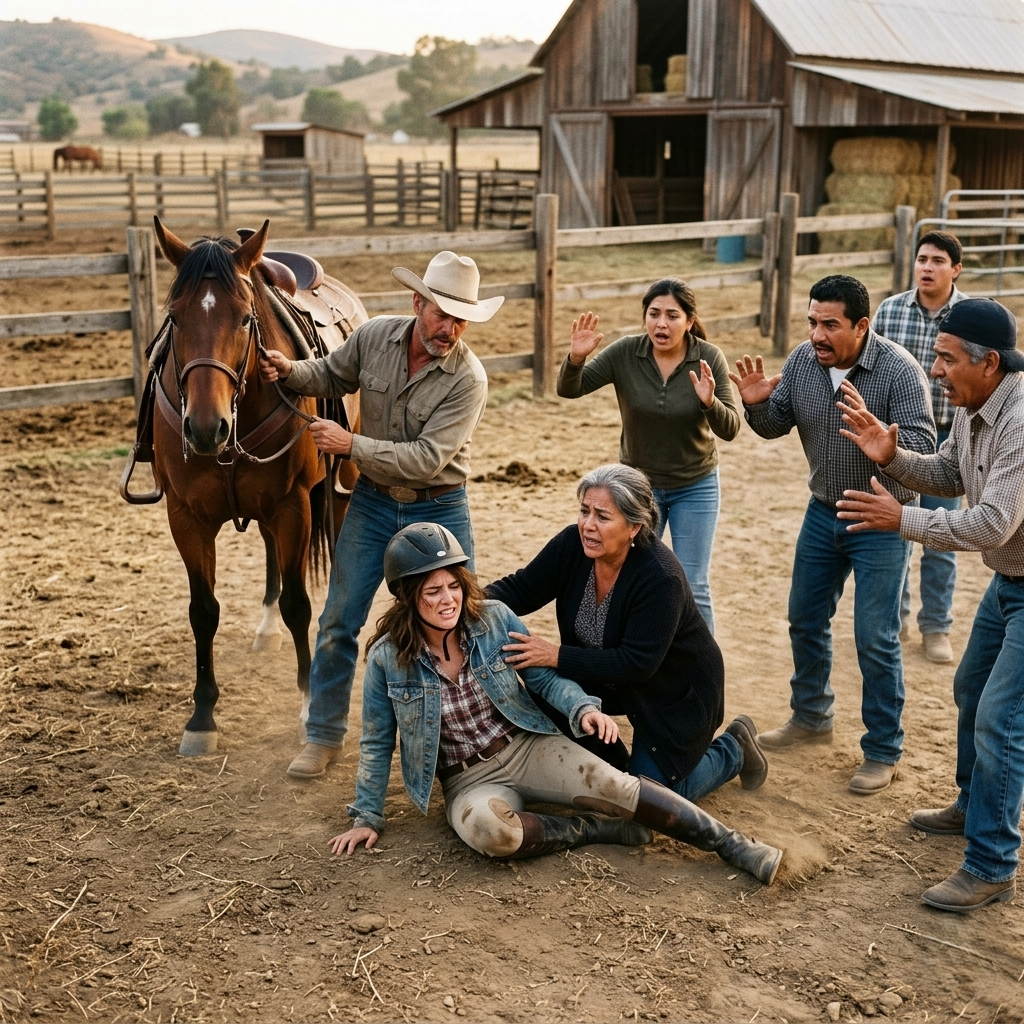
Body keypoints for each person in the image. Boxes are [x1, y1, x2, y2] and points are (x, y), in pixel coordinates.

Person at [330, 522, 783, 886]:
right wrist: (367, 815)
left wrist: (582, 708)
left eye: (453, 585)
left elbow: (544, 678)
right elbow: (375, 740)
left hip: (526, 747)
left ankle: (735, 846)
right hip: (466, 780)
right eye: (432, 592)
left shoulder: (492, 620)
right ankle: (592, 830)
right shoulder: (389, 659)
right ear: (408, 598)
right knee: (494, 835)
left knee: (622, 788)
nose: (448, 600)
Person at [259, 251, 499, 778]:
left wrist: (350, 444)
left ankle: (475, 737)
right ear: (418, 302)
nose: (451, 328)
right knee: (338, 619)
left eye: (462, 318)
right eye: (443, 314)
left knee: (463, 623)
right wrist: (290, 370)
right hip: (371, 501)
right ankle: (323, 736)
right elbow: (330, 374)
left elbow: (427, 458)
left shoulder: (468, 379)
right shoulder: (375, 337)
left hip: (438, 507)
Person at [836, 298, 1024, 912]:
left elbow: (992, 523)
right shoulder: (975, 408)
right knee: (971, 689)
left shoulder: (1021, 420)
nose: (935, 369)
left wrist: (900, 519)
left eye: (945, 358)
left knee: (1000, 716)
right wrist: (893, 458)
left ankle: (992, 864)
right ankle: (975, 805)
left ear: (988, 361)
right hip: (1011, 582)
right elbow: (949, 471)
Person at [730, 275, 935, 795]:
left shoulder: (898, 372)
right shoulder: (802, 361)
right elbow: (775, 422)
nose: (817, 334)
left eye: (830, 325)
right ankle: (811, 715)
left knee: (875, 636)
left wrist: (886, 446)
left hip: (881, 517)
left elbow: (925, 445)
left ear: (861, 326)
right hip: (823, 512)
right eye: (812, 322)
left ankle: (883, 749)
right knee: (804, 616)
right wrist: (755, 404)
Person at [486, 463, 769, 801]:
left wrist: (556, 655)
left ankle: (732, 748)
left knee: (651, 801)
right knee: (539, 714)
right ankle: (617, 764)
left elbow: (636, 664)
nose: (588, 525)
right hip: (608, 678)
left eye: (603, 517)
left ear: (634, 526)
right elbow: (520, 589)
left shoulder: (660, 577)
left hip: (674, 691)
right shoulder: (572, 546)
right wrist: (462, 601)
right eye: (584, 511)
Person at [556, 279, 740, 632]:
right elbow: (570, 389)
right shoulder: (626, 352)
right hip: (639, 491)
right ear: (645, 318)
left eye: (673, 315)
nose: (661, 324)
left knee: (693, 583)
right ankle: (634, 657)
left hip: (695, 485)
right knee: (632, 574)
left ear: (689, 321)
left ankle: (700, 669)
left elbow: (730, 428)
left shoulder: (708, 357)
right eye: (654, 314)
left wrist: (709, 402)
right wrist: (576, 359)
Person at [873, 230, 966, 664]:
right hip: (899, 439)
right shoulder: (890, 311)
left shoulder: (968, 317)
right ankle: (896, 617)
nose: (927, 267)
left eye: (938, 261)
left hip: (950, 439)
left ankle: (937, 627)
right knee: (896, 528)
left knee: (941, 531)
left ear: (955, 269)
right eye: (922, 259)